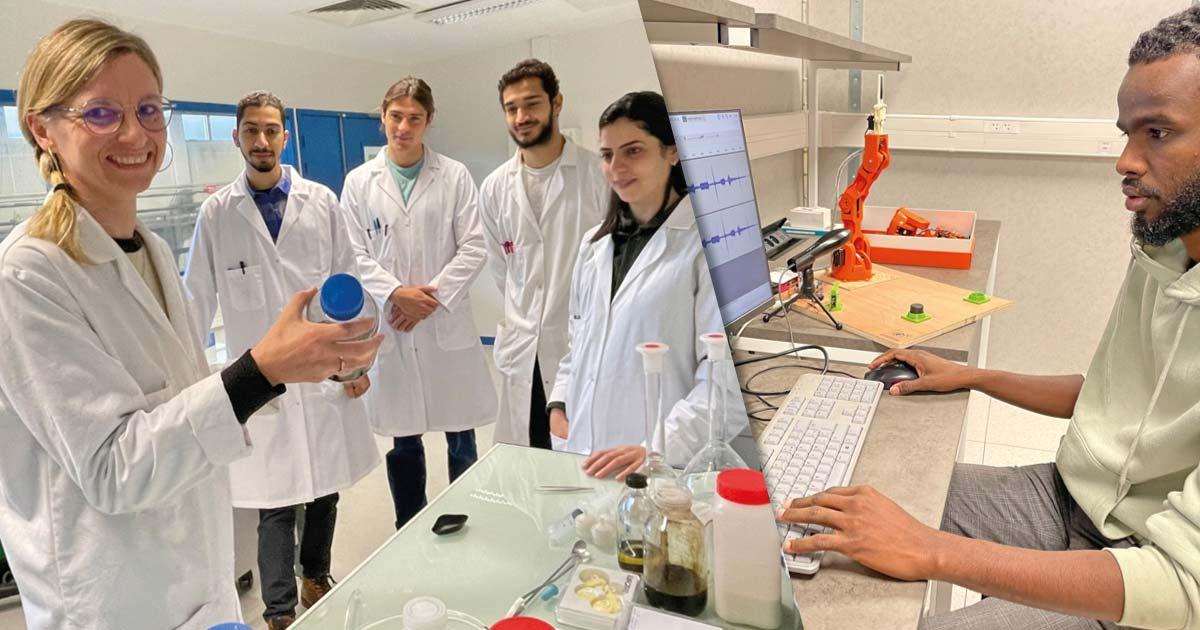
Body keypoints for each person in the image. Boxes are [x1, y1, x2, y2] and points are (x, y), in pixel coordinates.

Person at [779, 7, 1200, 629]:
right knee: (839, 500)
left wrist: (931, 551)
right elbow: (1116, 402)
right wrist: (974, 377)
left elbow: (1184, 586)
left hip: (1143, 574)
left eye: (1157, 133)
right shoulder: (1166, 248)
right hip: (1069, 501)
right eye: (1126, 134)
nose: (1125, 161)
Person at [0, 19, 380, 630]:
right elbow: (113, 469)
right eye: (101, 113)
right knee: (277, 504)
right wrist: (262, 372)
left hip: (194, 581)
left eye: (149, 109)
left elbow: (180, 388)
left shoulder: (148, 249)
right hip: (115, 602)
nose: (134, 133)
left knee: (318, 493)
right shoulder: (25, 276)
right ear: (42, 128)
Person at [184, 91, 381, 629]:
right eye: (251, 130)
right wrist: (189, 382)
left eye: (271, 130)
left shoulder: (322, 202)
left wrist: (356, 366)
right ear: (237, 137)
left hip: (321, 369)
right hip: (260, 378)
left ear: (285, 137)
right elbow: (195, 299)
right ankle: (279, 612)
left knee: (324, 489)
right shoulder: (217, 213)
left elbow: (349, 287)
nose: (262, 140)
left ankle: (316, 575)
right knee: (273, 500)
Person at [548, 91, 747, 480]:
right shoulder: (593, 245)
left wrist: (656, 448)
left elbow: (725, 384)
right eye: (607, 155)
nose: (616, 167)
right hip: (584, 452)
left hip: (660, 463)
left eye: (633, 151)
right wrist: (558, 404)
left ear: (673, 152)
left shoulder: (707, 246)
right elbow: (579, 344)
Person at [340, 77, 497, 529]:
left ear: (429, 121)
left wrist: (430, 298)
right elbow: (353, 253)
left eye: (414, 118)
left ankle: (467, 518)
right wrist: (396, 293)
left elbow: (475, 245)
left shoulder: (454, 176)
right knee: (404, 440)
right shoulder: (359, 183)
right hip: (393, 322)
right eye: (395, 116)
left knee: (460, 435)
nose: (403, 127)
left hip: (441, 320)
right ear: (382, 116)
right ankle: (408, 527)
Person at [479, 59, 608, 449]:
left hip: (580, 347)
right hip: (522, 353)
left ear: (557, 103)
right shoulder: (494, 188)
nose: (521, 117)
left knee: (580, 456)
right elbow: (502, 269)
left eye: (532, 104)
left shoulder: (598, 176)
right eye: (511, 108)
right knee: (530, 453)